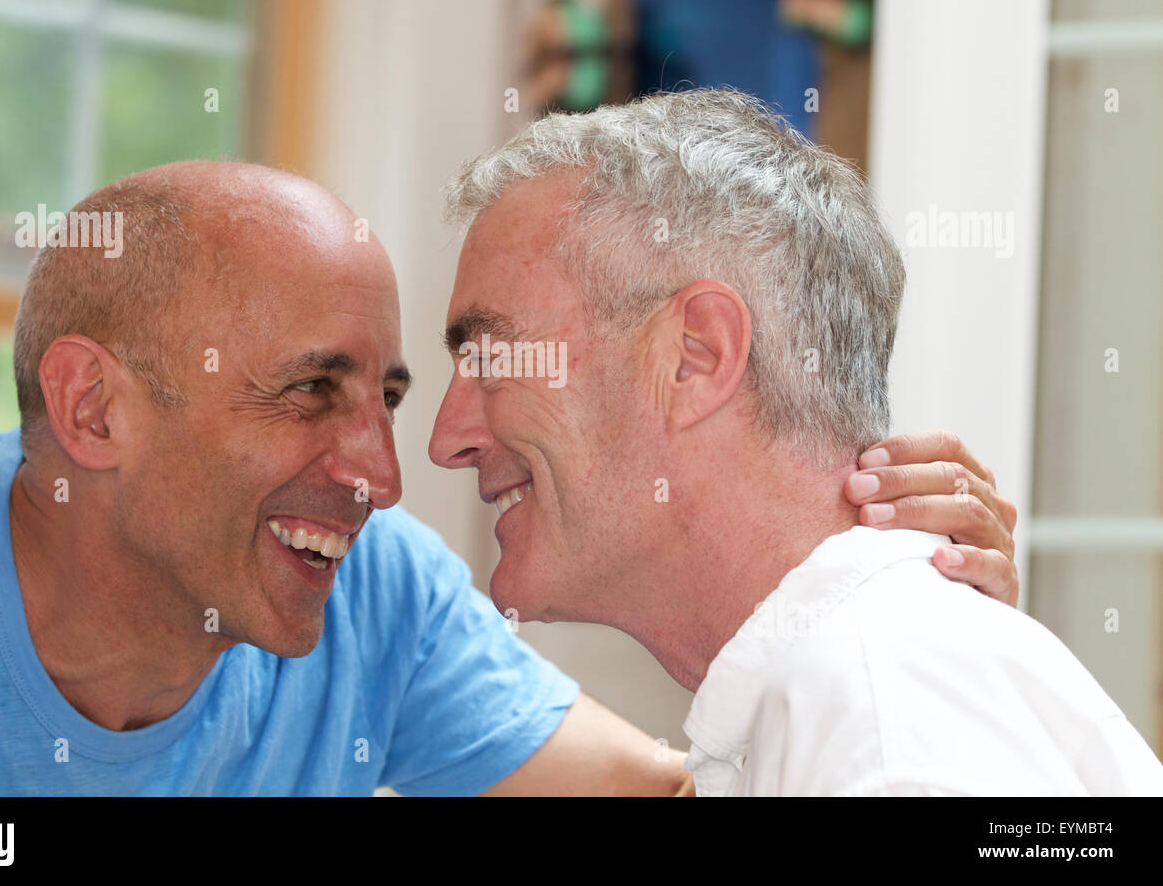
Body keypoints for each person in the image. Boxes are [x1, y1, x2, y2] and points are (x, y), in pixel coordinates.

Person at [0, 160, 1014, 795]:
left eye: (388, 399)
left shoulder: (377, 595)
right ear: (93, 408)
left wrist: (913, 632)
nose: (382, 475)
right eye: (311, 390)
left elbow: (668, 800)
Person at [429, 89, 1163, 795]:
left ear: (697, 356)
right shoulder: (845, 707)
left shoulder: (880, 736)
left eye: (495, 358)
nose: (444, 438)